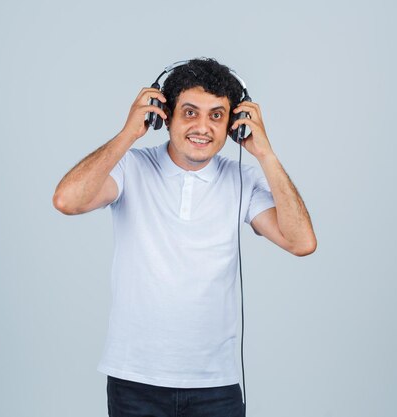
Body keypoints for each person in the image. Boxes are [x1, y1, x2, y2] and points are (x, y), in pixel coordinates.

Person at [53, 58, 317, 417]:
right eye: (190, 112)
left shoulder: (242, 178)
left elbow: (301, 242)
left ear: (234, 126)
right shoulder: (131, 168)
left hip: (216, 386)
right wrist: (129, 132)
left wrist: (265, 154)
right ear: (165, 116)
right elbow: (68, 200)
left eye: (217, 116)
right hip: (135, 381)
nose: (203, 127)